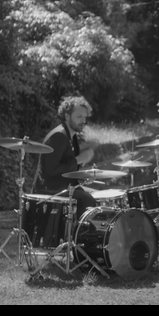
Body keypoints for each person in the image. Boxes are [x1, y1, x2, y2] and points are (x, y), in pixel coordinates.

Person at [33, 95, 97, 223]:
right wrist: (79, 159)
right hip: (49, 190)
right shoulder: (59, 136)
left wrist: (84, 175)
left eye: (85, 117)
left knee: (95, 195)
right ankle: (78, 233)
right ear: (67, 116)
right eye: (79, 116)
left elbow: (67, 167)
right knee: (87, 200)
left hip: (62, 187)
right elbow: (51, 170)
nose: (83, 121)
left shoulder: (71, 136)